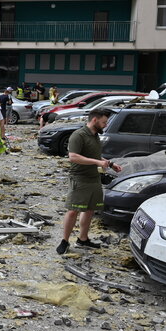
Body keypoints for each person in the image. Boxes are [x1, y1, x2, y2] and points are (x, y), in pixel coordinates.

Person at [56, 108, 122, 255]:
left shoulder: (95, 135)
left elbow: (95, 155)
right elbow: (73, 157)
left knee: (90, 209)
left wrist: (110, 164)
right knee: (73, 210)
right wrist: (97, 162)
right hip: (79, 178)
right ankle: (64, 241)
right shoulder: (78, 135)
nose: (106, 125)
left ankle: (83, 239)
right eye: (104, 122)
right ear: (94, 120)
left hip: (94, 178)